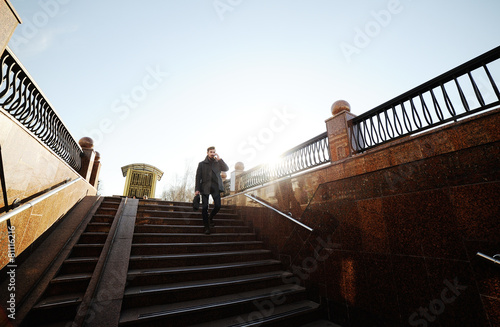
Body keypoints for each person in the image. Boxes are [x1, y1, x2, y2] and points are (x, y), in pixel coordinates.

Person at [195, 146, 229, 234]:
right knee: (205, 208)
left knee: (218, 206)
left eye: (214, 152)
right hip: (205, 187)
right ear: (207, 153)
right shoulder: (202, 164)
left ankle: (210, 218)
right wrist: (197, 189)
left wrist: (220, 159)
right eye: (211, 152)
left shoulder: (218, 163)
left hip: (215, 187)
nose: (212, 153)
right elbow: (198, 177)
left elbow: (226, 169)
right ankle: (207, 227)